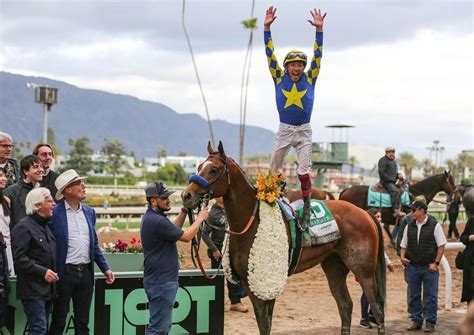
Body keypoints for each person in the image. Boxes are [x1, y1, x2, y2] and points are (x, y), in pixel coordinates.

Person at [264, 6, 327, 229]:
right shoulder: (278, 77)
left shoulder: (311, 77)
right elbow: (270, 54)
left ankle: (308, 207)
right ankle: (269, 202)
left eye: (300, 65)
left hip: (304, 130)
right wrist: (266, 28)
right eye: (293, 65)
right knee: (273, 168)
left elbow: (318, 54)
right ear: (287, 67)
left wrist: (319, 31)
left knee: (303, 171)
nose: (297, 68)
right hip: (285, 128)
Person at [49, 169, 115, 335]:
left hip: (86, 274)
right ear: (68, 190)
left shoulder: (89, 212)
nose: (84, 186)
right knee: (59, 320)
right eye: (79, 183)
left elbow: (93, 244)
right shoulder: (54, 214)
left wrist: (105, 268)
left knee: (83, 323)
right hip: (64, 275)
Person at [140, 181, 208, 335]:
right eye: (164, 198)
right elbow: (186, 236)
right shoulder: (157, 220)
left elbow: (174, 230)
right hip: (162, 281)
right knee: (159, 329)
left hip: (160, 280)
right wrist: (200, 218)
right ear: (153, 201)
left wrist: (184, 210)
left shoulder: (154, 217)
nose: (168, 200)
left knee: (160, 327)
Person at [11, 188, 58, 335]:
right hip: (33, 290)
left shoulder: (45, 226)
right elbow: (18, 258)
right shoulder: (23, 227)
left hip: (48, 289)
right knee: (38, 329)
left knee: (41, 328)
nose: (53, 204)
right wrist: (42, 271)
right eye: (49, 201)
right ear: (37, 205)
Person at [400, 200, 447, 332]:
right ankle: (416, 320)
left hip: (429, 267)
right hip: (413, 266)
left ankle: (430, 322)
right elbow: (403, 245)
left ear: (421, 210)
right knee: (414, 295)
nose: (411, 213)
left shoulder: (435, 225)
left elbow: (441, 245)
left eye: (413, 210)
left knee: (431, 295)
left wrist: (436, 263)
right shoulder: (409, 226)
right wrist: (402, 257)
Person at [201, 197, 248, 313]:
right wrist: (214, 250)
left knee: (232, 276)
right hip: (219, 251)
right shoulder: (213, 214)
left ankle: (235, 302)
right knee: (218, 277)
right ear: (217, 199)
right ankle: (215, 303)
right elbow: (204, 234)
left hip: (231, 249)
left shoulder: (230, 209)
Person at [359, 209, 395, 329]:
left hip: (375, 263)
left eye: (380, 217)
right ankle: (364, 318)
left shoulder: (376, 229)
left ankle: (370, 315)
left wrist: (388, 262)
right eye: (378, 216)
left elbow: (381, 251)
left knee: (374, 289)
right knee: (368, 291)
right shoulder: (367, 230)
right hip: (368, 265)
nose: (380, 219)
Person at [4, 155, 44, 228]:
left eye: (41, 166)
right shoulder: (12, 191)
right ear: (26, 171)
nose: (40, 169)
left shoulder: (43, 191)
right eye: (35, 167)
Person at [378, 147, 405, 218]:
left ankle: (402, 207)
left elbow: (393, 173)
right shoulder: (383, 160)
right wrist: (392, 179)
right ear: (386, 153)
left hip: (392, 181)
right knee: (395, 191)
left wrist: (398, 175)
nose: (391, 153)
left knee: (404, 189)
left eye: (393, 152)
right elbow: (382, 172)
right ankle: (396, 210)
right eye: (389, 152)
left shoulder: (393, 161)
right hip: (386, 182)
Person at [0, 167, 13, 276]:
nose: (3, 179)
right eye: (0, 176)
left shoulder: (6, 200)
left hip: (7, 245)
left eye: (4, 176)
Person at [459, 217, 473, 303]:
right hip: (470, 262)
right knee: (470, 291)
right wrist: (469, 237)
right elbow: (463, 238)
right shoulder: (471, 221)